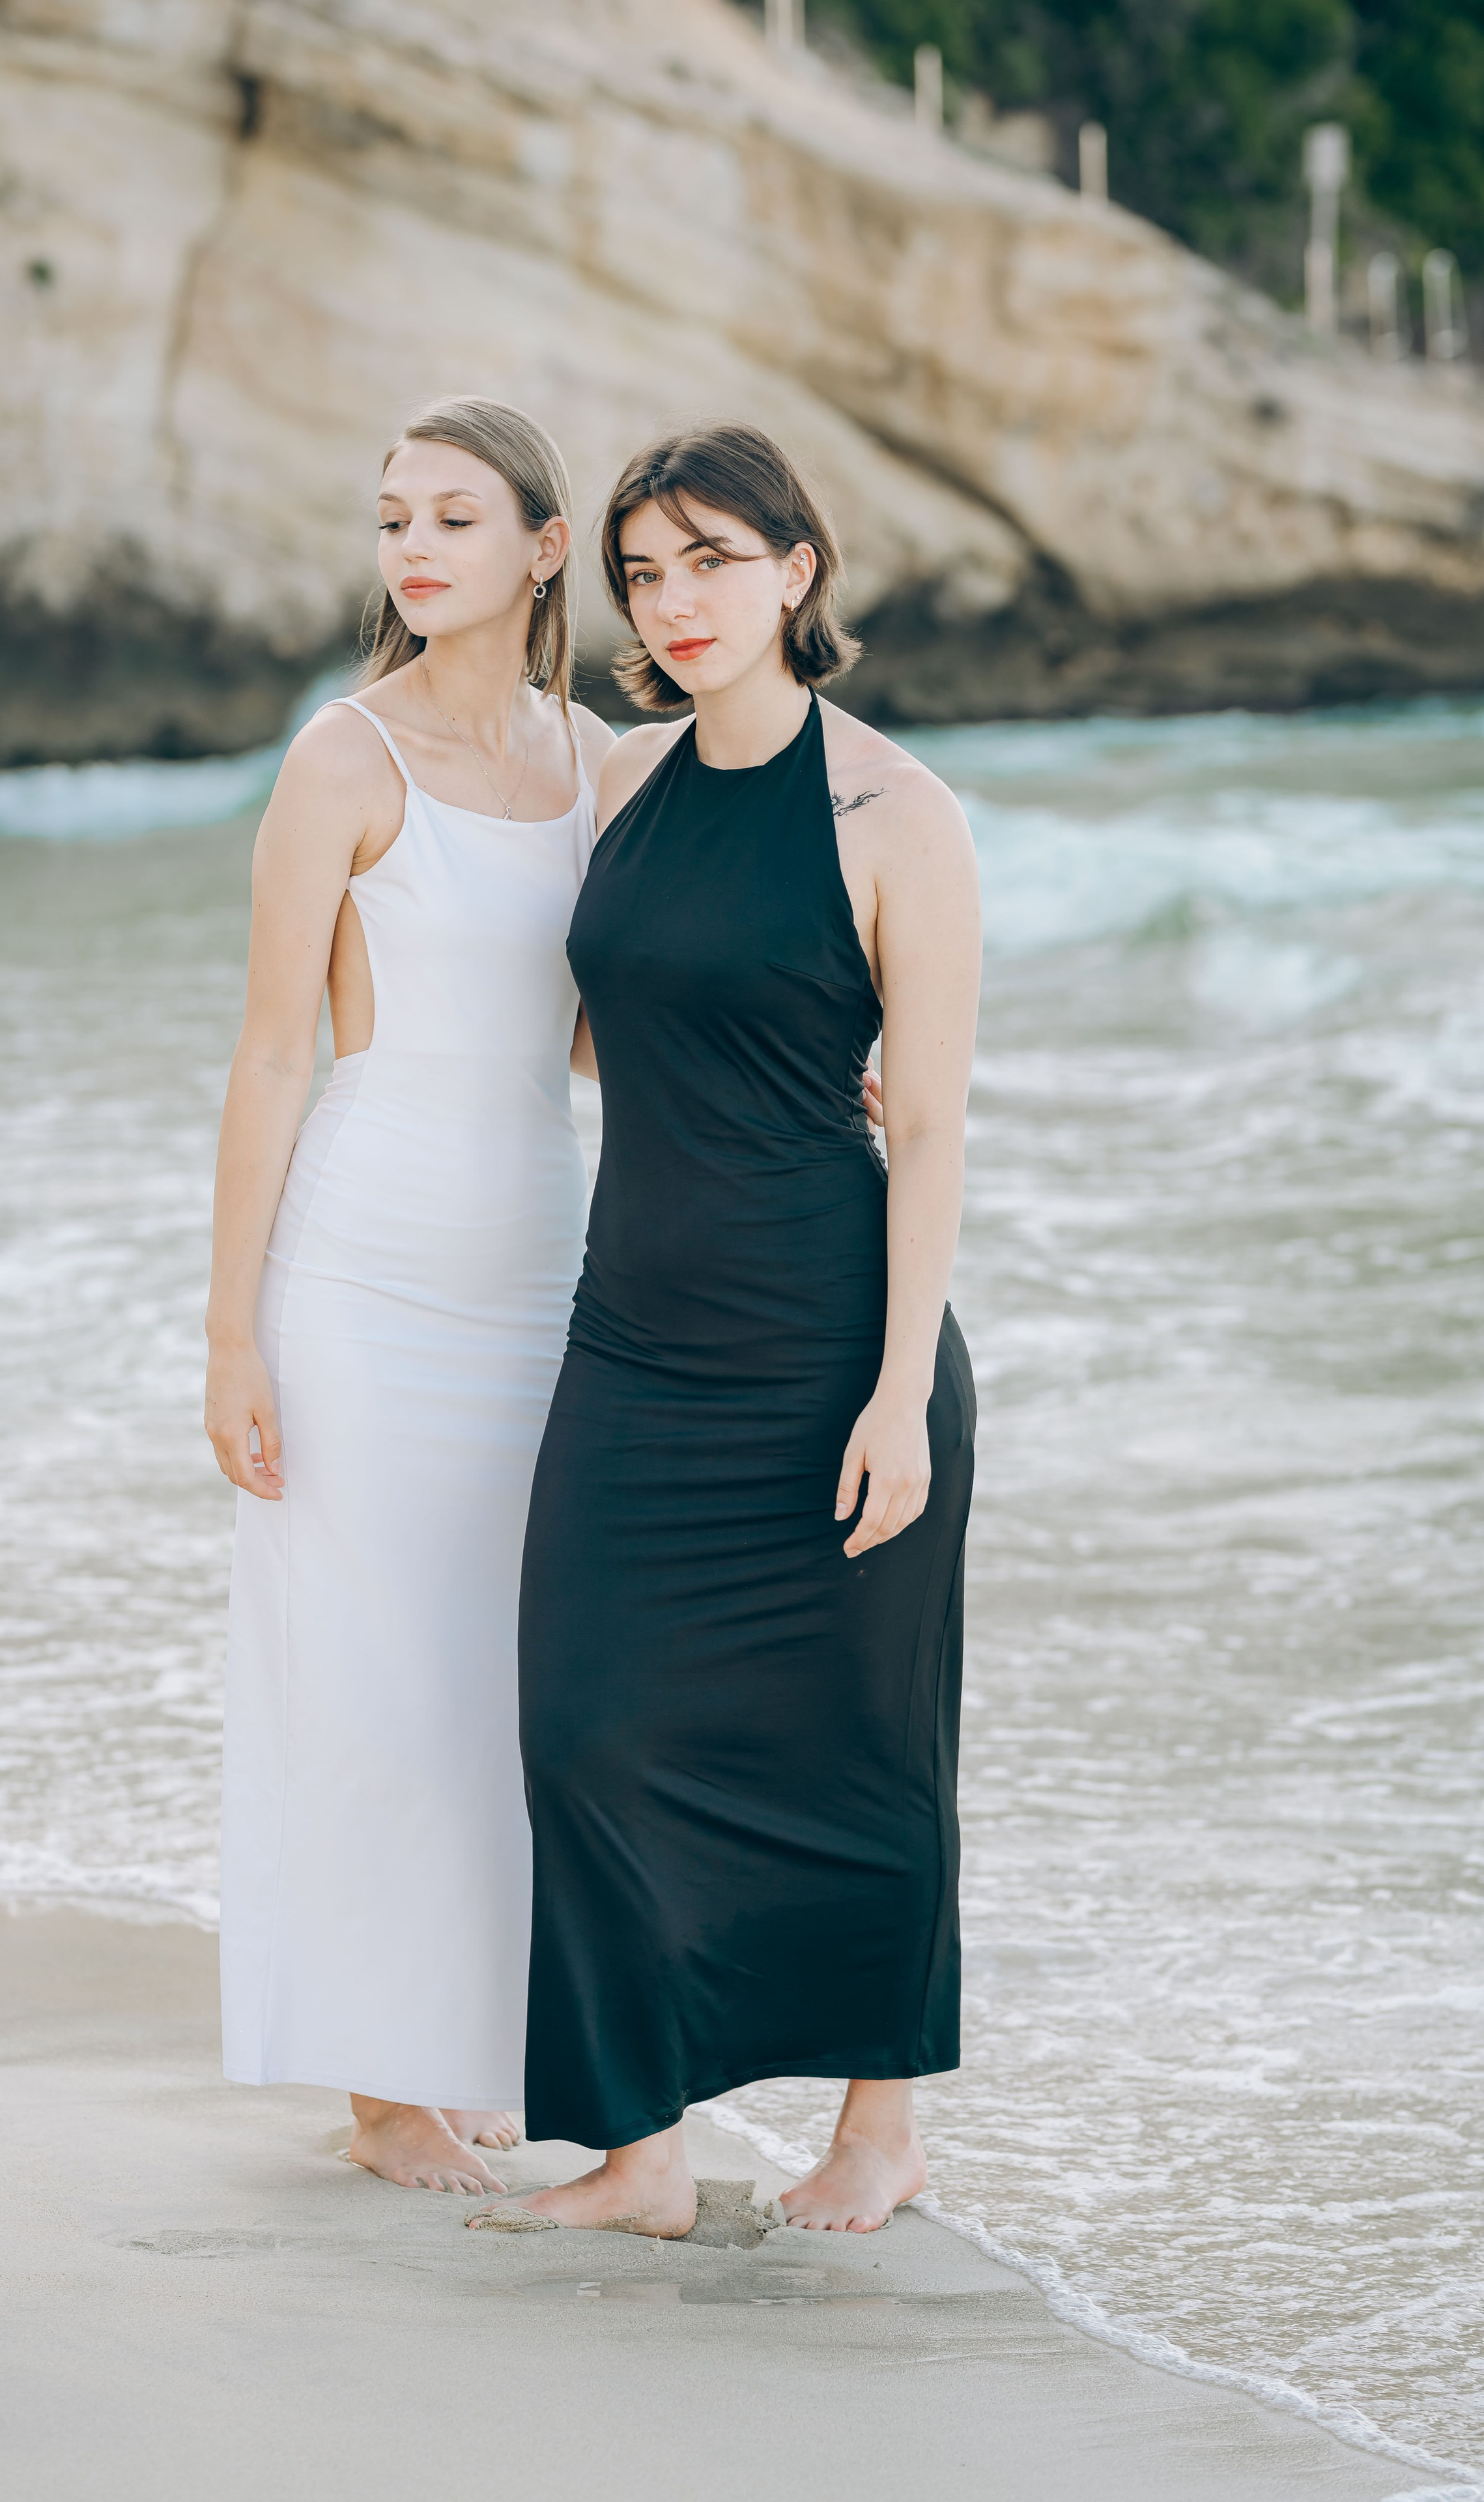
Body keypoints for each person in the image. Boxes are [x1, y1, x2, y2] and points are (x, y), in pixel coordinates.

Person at [483, 422, 980, 2239]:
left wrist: (901, 1393)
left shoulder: (895, 815)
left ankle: (882, 2126)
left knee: (865, 1742)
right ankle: (642, 2157)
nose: (675, 601)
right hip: (636, 1339)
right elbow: (613, 1013)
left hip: (833, 1345)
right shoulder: (623, 784)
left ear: (798, 567)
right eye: (644, 572)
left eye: (711, 559)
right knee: (584, 1725)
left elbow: (924, 1123)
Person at [207, 397, 614, 2196]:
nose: (414, 550)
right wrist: (229, 1336)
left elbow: (600, 1027)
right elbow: (271, 1056)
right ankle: (381, 2083)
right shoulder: (340, 758)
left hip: (543, 1265)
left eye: (456, 518)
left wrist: (801, 1074)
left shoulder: (595, 761)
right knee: (367, 1668)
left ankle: (472, 2037)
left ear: (543, 550)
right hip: (362, 1278)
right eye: (392, 521)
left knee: (506, 1672)